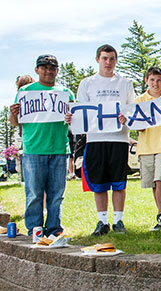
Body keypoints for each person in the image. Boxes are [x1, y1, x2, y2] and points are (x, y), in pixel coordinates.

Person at [69, 44, 135, 236]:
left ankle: (119, 221)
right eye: (105, 58)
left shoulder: (125, 83)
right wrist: (71, 119)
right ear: (98, 59)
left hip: (119, 139)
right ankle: (102, 221)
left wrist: (126, 118)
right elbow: (81, 112)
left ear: (116, 61)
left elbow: (132, 110)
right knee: (99, 182)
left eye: (112, 59)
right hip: (96, 139)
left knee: (118, 182)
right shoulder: (87, 83)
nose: (108, 62)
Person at [9, 55, 73, 238]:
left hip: (60, 148)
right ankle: (35, 227)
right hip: (34, 148)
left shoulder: (66, 92)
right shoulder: (25, 91)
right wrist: (12, 114)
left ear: (57, 71)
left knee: (56, 193)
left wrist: (71, 118)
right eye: (44, 67)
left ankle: (54, 228)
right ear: (37, 70)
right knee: (34, 192)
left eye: (52, 67)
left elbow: (73, 120)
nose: (48, 70)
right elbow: (15, 122)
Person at [135, 67, 161, 231]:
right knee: (154, 182)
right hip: (145, 146)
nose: (155, 83)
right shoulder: (139, 100)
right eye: (152, 80)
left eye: (159, 80)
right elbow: (139, 128)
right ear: (146, 80)